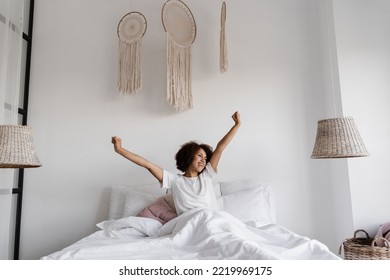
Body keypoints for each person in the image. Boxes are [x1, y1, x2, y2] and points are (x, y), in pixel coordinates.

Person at [111, 111, 241, 215]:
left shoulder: (206, 176)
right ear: (189, 157)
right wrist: (120, 150)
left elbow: (220, 148)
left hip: (211, 220)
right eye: (200, 156)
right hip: (189, 223)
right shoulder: (174, 180)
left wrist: (236, 125)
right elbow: (147, 164)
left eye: (206, 158)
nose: (203, 160)